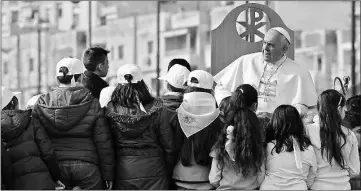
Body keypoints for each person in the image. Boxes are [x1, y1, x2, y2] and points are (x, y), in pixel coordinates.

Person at [32, 58, 115, 190]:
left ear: (57, 78)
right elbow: (103, 142)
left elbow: (38, 141)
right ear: (81, 77)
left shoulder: (41, 104)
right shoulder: (92, 102)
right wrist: (108, 175)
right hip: (88, 167)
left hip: (55, 168)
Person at [99, 64, 175, 190]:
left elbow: (107, 147)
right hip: (155, 171)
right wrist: (168, 171)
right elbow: (169, 147)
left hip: (123, 171)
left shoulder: (109, 111)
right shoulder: (158, 109)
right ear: (141, 83)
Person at [213, 27, 317, 115]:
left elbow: (305, 106)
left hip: (278, 129)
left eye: (271, 45)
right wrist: (229, 104)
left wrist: (278, 117)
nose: (265, 48)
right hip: (245, 123)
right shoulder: (246, 61)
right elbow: (221, 87)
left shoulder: (299, 72)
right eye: (264, 43)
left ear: (284, 49)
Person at [1, 86, 64, 190]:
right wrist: (56, 176)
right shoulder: (30, 121)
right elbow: (47, 153)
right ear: (13, 104)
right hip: (41, 182)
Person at [170, 70, 223, 190]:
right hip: (208, 179)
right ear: (210, 89)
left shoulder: (178, 114)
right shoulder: (218, 117)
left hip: (180, 177)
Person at [209, 84, 265, 189]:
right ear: (255, 106)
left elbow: (214, 179)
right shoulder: (258, 142)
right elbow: (261, 178)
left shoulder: (222, 140)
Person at [306, 90, 360, 190]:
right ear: (339, 109)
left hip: (317, 187)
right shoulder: (349, 134)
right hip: (343, 187)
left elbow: (305, 166)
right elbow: (355, 171)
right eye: (344, 110)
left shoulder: (308, 131)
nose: (345, 113)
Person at [261, 105, 317, 190]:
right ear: (298, 123)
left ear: (275, 123)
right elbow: (312, 175)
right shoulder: (308, 148)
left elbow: (260, 173)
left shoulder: (268, 146)